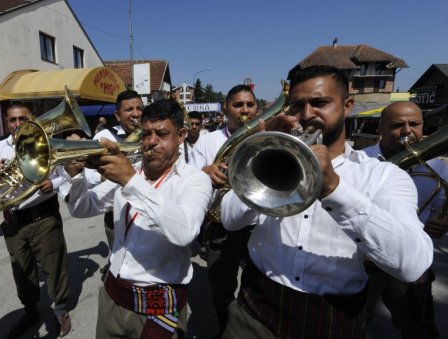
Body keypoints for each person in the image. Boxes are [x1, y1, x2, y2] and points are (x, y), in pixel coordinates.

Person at [219, 65, 434, 339]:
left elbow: (412, 264)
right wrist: (263, 153)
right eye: (297, 105)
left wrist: (334, 188)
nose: (307, 114)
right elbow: (230, 219)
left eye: (320, 103)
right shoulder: (270, 153)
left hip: (334, 319)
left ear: (347, 106)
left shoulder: (382, 175)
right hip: (255, 309)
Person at [63, 98, 212, 338]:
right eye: (146, 134)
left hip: (158, 306)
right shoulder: (131, 172)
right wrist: (76, 176)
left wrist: (130, 181)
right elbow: (82, 209)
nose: (151, 142)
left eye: (162, 134)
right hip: (113, 297)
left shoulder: (195, 180)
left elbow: (185, 231)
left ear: (181, 135)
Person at [0, 102, 71, 338]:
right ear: (6, 122)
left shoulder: (46, 143)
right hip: (13, 221)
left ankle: (60, 311)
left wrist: (54, 183)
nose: (17, 124)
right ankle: (31, 311)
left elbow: (66, 175)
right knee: (22, 272)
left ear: (32, 118)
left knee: (54, 266)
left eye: (22, 118)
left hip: (42, 217)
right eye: (12, 120)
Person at [362, 101, 446, 338]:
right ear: (381, 129)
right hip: (364, 258)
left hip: (412, 259)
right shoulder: (360, 161)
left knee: (418, 326)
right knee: (354, 321)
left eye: (414, 124)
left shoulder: (438, 168)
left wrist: (444, 223)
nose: (407, 131)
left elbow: (443, 208)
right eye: (398, 125)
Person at [188, 84, 258, 336]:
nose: (244, 110)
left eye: (250, 105)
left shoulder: (265, 137)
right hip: (219, 225)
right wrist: (206, 171)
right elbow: (188, 176)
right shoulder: (208, 141)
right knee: (221, 286)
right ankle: (225, 326)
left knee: (258, 283)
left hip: (258, 225)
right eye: (238, 105)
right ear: (226, 109)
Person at [88, 90, 144, 251]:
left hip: (147, 206)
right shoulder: (105, 136)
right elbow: (89, 174)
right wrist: (110, 175)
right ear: (118, 115)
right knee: (119, 261)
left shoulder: (150, 134)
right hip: (117, 212)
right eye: (129, 110)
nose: (136, 114)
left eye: (139, 108)